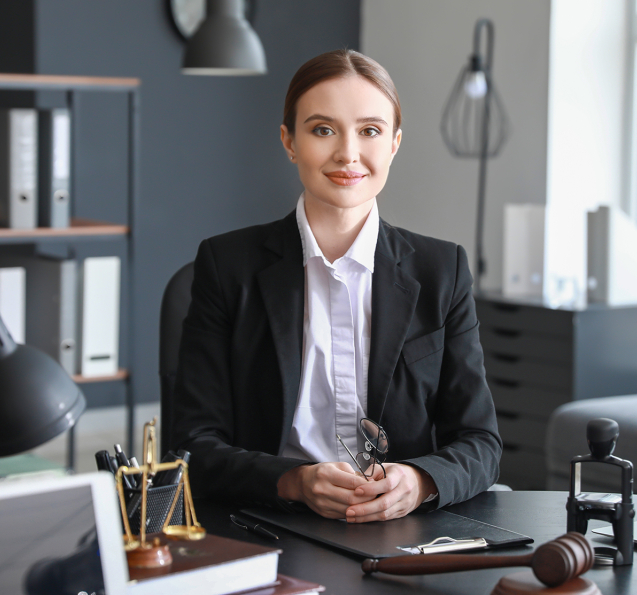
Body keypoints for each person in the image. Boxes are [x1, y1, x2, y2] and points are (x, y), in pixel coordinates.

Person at [172, 49, 501, 523]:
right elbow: (192, 446)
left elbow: (481, 443)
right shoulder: (227, 266)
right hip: (272, 524)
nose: (348, 153)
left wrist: (421, 480)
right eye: (323, 130)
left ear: (394, 143)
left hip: (405, 532)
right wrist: (293, 481)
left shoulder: (440, 269)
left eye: (370, 131)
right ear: (289, 141)